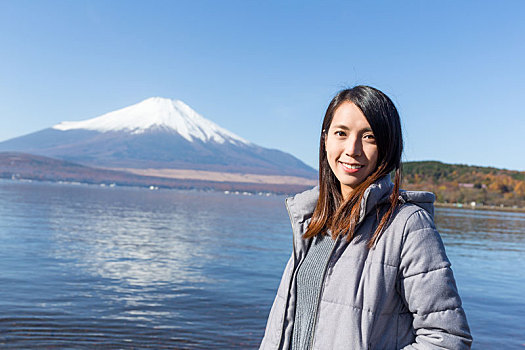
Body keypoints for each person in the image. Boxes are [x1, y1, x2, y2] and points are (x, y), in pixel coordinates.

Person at [259, 86, 472, 349]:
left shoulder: (408, 225)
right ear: (325, 139)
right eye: (341, 133)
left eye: (369, 137)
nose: (352, 149)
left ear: (387, 147)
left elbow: (447, 339)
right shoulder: (313, 219)